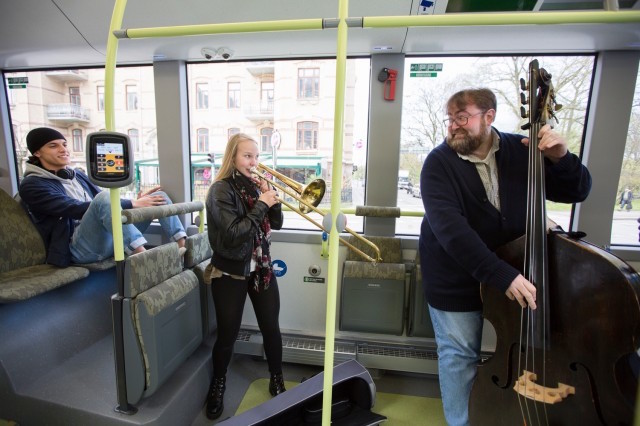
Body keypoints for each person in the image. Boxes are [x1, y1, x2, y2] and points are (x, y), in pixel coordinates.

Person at [418, 88, 591, 426]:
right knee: (458, 356)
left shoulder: (522, 151)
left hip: (514, 271)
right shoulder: (437, 164)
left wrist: (562, 157)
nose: (453, 126)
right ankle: (461, 422)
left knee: (520, 352)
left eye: (462, 117)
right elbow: (453, 232)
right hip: (456, 276)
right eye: (450, 119)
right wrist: (502, 276)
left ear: (489, 116)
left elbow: (577, 191)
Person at [19, 127, 187, 267]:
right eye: (53, 146)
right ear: (37, 153)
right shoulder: (32, 185)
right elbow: (74, 208)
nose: (63, 149)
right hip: (79, 248)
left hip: (106, 236)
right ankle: (145, 261)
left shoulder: (76, 175)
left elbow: (104, 203)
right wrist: (133, 203)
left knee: (159, 197)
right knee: (105, 197)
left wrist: (138, 201)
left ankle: (183, 250)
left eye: (64, 144)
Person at [204, 133, 285, 420]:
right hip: (230, 272)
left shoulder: (255, 187)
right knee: (227, 335)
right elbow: (234, 234)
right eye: (247, 156)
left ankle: (277, 377)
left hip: (260, 270)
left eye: (256, 156)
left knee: (271, 328)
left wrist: (273, 202)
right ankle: (218, 383)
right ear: (233, 158)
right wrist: (262, 202)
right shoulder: (220, 191)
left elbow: (276, 223)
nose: (254, 162)